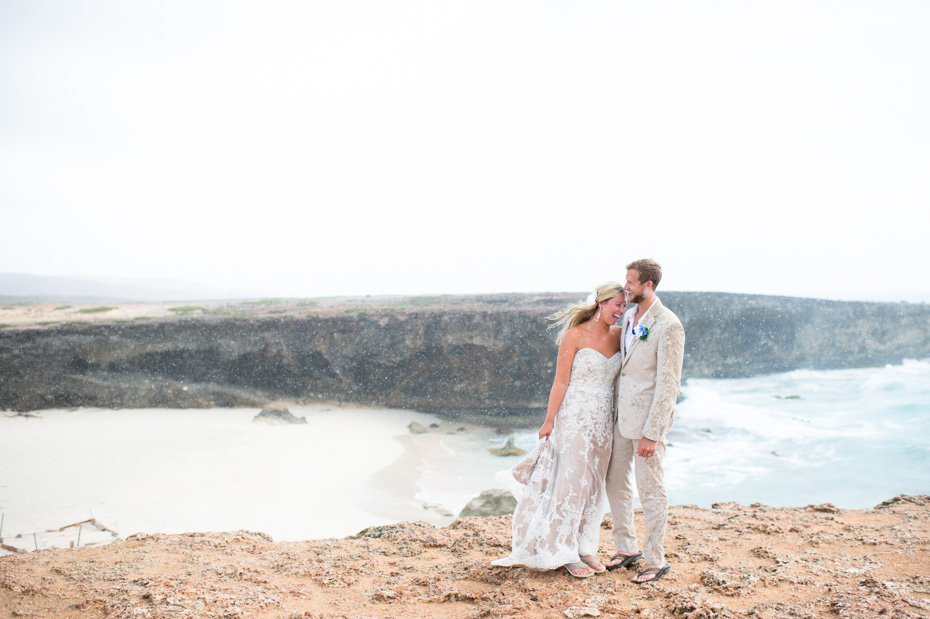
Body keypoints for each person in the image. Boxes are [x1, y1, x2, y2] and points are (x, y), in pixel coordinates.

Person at [491, 283, 627, 578]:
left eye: (624, 306)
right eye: (616, 304)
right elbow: (561, 382)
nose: (620, 311)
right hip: (574, 417)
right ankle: (561, 549)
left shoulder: (621, 337)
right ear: (601, 303)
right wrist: (549, 420)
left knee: (593, 483)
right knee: (571, 482)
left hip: (603, 421)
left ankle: (585, 547)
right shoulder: (575, 335)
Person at [602, 259, 685, 584]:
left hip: (647, 424)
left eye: (631, 282)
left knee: (650, 489)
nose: (626, 287)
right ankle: (626, 548)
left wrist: (653, 433)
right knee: (615, 482)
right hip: (622, 418)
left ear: (648, 285)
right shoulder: (631, 316)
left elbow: (668, 385)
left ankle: (655, 560)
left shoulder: (668, 324)